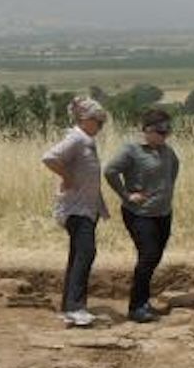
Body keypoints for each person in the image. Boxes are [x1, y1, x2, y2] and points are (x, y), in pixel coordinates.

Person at [103, 107, 180, 322]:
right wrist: (127, 195)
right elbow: (110, 171)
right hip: (140, 214)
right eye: (161, 131)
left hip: (163, 213)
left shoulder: (167, 151)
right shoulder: (131, 150)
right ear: (147, 130)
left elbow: (174, 169)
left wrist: (165, 194)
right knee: (147, 256)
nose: (166, 135)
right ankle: (136, 307)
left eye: (168, 131)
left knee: (154, 257)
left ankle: (144, 302)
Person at [41, 97, 109, 326]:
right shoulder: (77, 139)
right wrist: (67, 177)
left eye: (102, 122)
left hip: (87, 208)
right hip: (76, 209)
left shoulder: (86, 140)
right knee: (85, 253)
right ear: (85, 119)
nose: (100, 126)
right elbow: (49, 158)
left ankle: (69, 305)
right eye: (98, 121)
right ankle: (75, 307)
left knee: (78, 255)